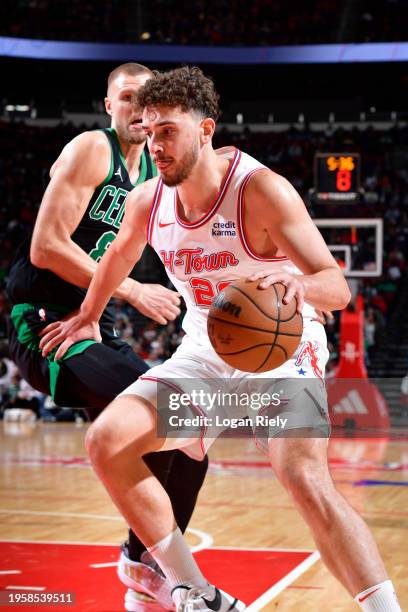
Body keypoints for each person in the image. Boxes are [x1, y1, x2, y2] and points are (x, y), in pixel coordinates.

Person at [40, 66, 401, 612]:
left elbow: (337, 289)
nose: (154, 143)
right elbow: (115, 259)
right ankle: (194, 589)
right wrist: (90, 315)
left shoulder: (259, 191)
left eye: (168, 131)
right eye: (148, 129)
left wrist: (298, 285)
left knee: (301, 475)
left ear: (206, 130)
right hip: (208, 355)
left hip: (284, 348)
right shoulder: (147, 201)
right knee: (107, 441)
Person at [6, 62, 209, 611]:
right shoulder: (91, 149)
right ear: (108, 105)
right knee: (169, 409)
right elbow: (45, 246)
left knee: (190, 439)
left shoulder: (151, 180)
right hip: (46, 321)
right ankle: (158, 571)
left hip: (94, 321)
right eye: (126, 97)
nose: (137, 109)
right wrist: (134, 292)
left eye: (147, 100)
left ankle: (145, 570)